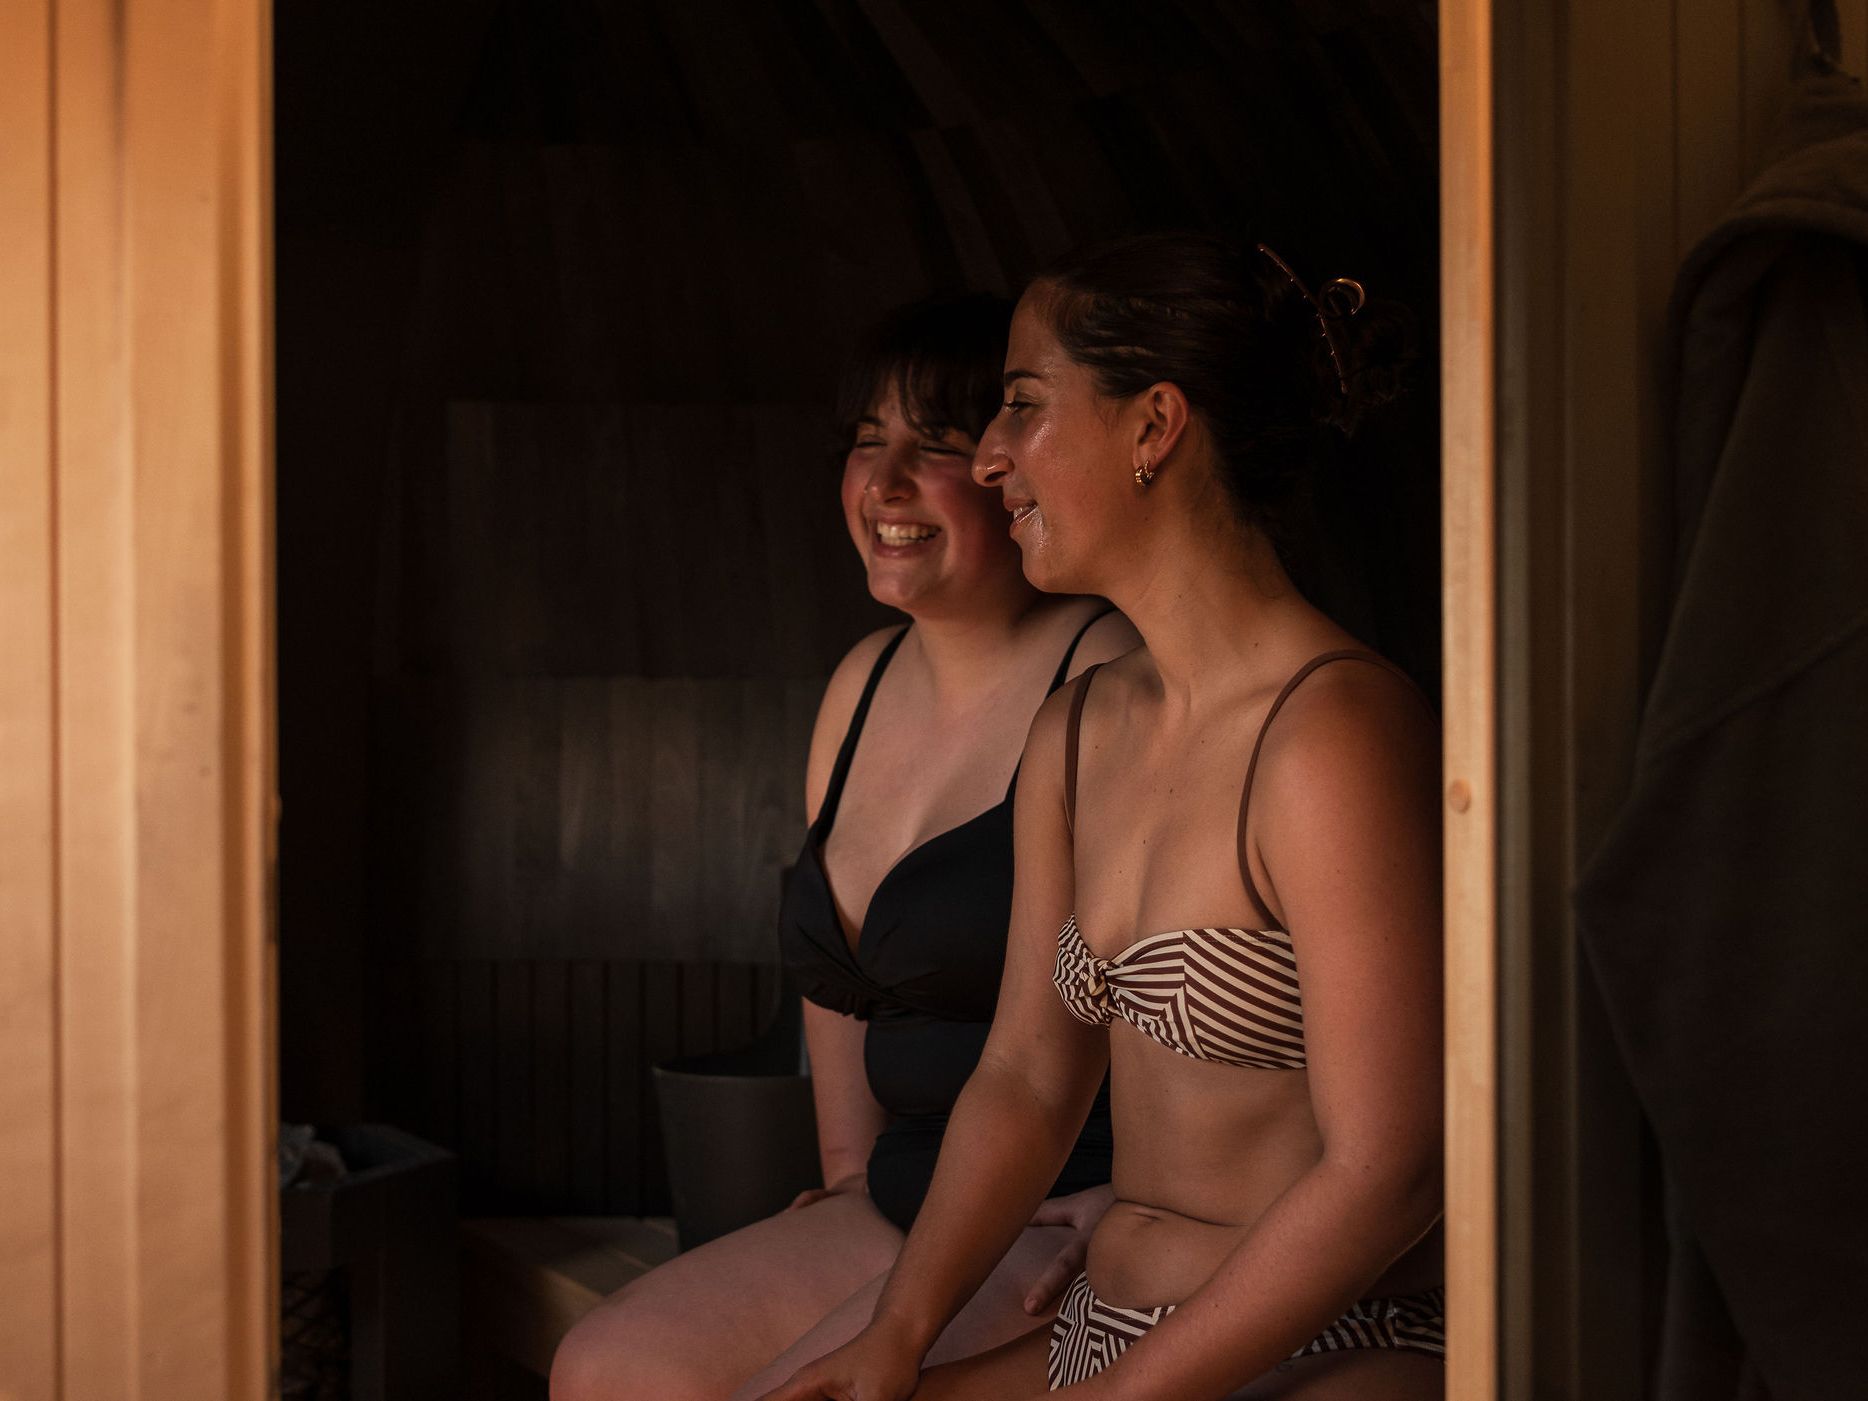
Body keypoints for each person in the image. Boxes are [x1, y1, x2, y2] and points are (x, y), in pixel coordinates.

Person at [757, 232, 1442, 1401]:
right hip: (1102, 1330)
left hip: (1328, 1344)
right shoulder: (1076, 732)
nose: (989, 458)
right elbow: (1025, 1079)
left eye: (1022, 407)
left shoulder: (1328, 734)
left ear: (1152, 427)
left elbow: (1391, 1169)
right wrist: (895, 1334)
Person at [550, 294, 1139, 1401]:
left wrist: (1162, 1201)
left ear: (1014, 468)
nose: (885, 482)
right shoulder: (861, 683)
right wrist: (845, 1174)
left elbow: (1199, 968)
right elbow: (839, 980)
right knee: (604, 1368)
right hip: (900, 1191)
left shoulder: (1106, 672)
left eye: (938, 444)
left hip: (1062, 1209)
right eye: (868, 441)